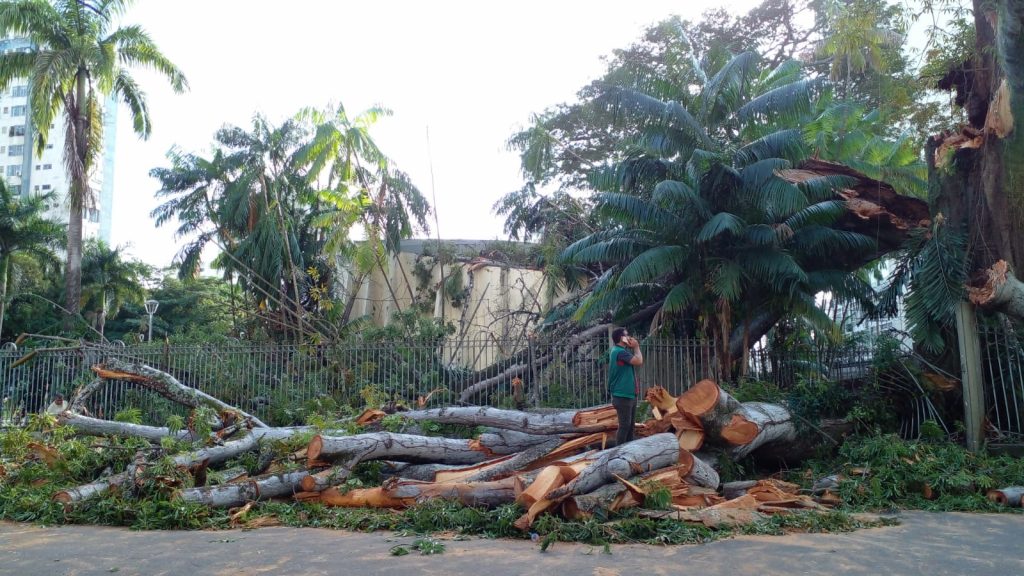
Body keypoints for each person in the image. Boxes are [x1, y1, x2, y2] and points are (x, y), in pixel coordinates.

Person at [608, 327, 643, 446]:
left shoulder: (620, 351)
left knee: (630, 426)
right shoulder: (620, 352)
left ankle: (628, 450)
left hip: (628, 395)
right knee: (625, 426)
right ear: (621, 338)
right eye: (627, 335)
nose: (630, 338)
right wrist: (637, 347)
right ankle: (618, 452)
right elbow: (638, 361)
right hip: (622, 395)